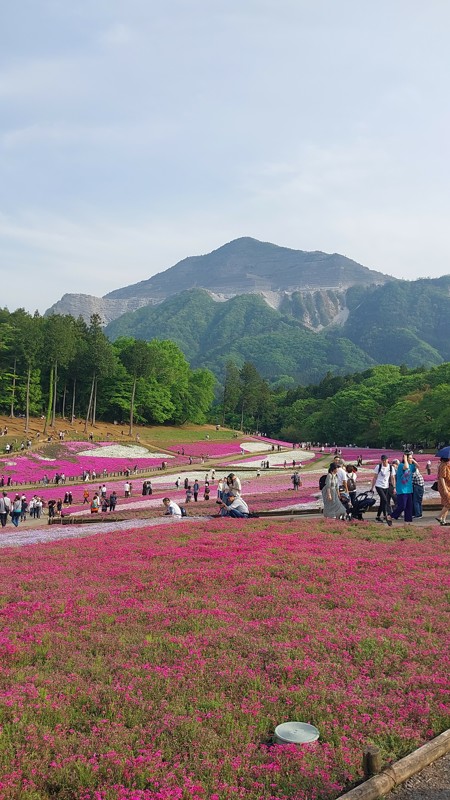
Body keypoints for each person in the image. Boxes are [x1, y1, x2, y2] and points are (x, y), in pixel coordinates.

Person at [391, 451, 417, 523]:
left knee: (409, 507)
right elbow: (406, 467)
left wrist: (413, 460)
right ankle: (391, 516)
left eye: (411, 458)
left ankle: (408, 522)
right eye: (410, 458)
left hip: (409, 489)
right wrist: (405, 458)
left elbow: (417, 466)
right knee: (402, 506)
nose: (410, 459)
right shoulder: (401, 465)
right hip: (402, 489)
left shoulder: (411, 466)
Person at [370, 455, 395, 525]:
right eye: (383, 460)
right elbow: (375, 477)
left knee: (382, 502)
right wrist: (372, 487)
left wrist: (394, 487)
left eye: (385, 460)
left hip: (386, 486)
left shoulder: (391, 467)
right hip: (379, 486)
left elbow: (393, 477)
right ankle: (385, 515)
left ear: (387, 460)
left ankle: (378, 516)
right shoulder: (378, 467)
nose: (384, 461)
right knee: (385, 500)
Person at [436, 457, 450, 525]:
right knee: (448, 503)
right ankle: (439, 517)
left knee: (446, 503)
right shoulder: (443, 465)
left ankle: (443, 520)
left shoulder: (446, 465)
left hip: (447, 486)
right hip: (444, 487)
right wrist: (445, 489)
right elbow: (442, 477)